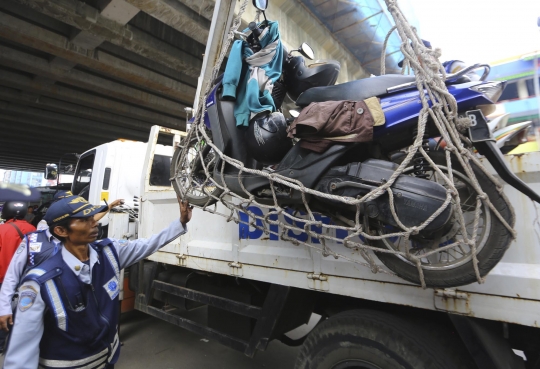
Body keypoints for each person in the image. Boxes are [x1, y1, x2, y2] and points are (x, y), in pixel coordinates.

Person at [3, 194, 192, 368]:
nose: (94, 223)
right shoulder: (40, 281)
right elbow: (21, 351)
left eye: (92, 217)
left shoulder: (109, 252)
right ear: (61, 230)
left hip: (107, 360)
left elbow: (147, 244)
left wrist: (180, 223)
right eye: (84, 220)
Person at [0, 192, 124, 334]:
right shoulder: (35, 236)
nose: (90, 224)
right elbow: (12, 274)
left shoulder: (79, 240)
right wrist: (4, 307)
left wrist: (108, 207)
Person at [0, 202, 36, 352]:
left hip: (3, 279)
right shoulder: (33, 229)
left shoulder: (2, 229)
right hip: (28, 281)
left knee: (3, 311)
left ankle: (1, 344)